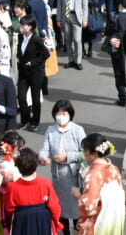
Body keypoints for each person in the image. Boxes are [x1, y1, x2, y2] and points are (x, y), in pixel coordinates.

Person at [38, 100, 86, 235]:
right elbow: (44, 148)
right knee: (60, 208)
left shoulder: (78, 130)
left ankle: (78, 230)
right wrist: (42, 157)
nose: (61, 116)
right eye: (58, 113)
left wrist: (68, 156)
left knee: (76, 209)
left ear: (70, 114)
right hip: (58, 177)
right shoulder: (50, 130)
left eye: (64, 113)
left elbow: (85, 153)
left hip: (74, 176)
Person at [3, 147, 64, 235]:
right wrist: (55, 223)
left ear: (18, 166)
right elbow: (54, 207)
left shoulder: (12, 187)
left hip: (22, 222)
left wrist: (12, 223)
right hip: (43, 221)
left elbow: (8, 209)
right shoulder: (45, 184)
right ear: (36, 165)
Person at [72, 134, 124, 235]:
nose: (84, 153)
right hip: (115, 217)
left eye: (85, 150)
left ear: (94, 153)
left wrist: (78, 194)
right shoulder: (113, 168)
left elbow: (88, 207)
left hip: (100, 221)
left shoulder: (93, 175)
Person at [16, 16, 49, 131]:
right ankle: (25, 120)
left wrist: (34, 62)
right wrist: (18, 58)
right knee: (21, 97)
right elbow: (20, 50)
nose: (21, 27)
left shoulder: (36, 39)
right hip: (23, 72)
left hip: (35, 73)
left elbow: (46, 54)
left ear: (30, 27)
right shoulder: (21, 37)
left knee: (35, 99)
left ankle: (35, 122)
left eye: (23, 25)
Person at [57, 0, 88, 71]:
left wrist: (85, 19)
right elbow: (60, 5)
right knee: (68, 39)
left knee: (77, 39)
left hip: (77, 16)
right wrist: (58, 19)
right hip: (65, 15)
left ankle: (78, 60)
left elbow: (85, 5)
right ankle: (71, 59)